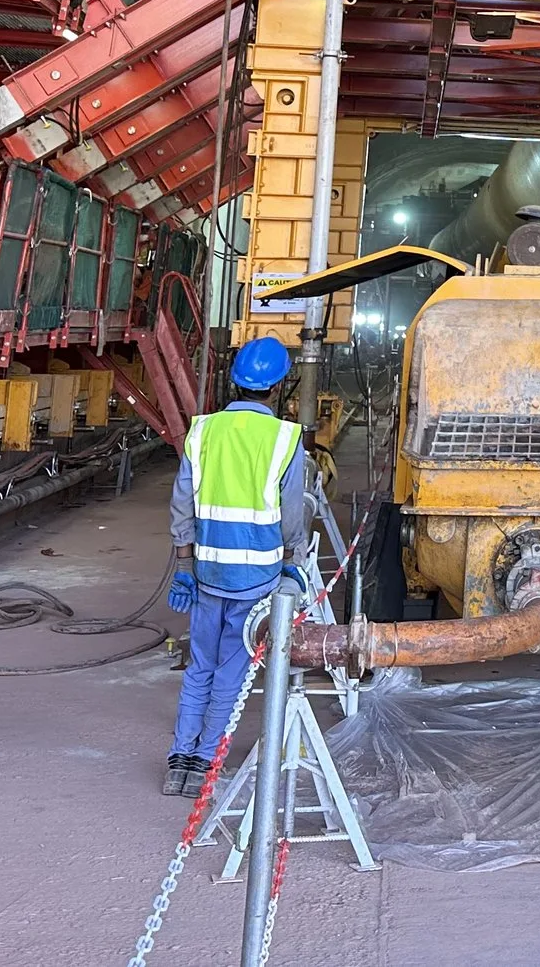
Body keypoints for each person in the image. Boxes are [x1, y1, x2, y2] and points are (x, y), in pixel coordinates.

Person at [165, 336, 317, 797]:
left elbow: (181, 501)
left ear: (234, 381)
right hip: (256, 578)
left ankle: (179, 765)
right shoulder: (285, 439)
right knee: (232, 670)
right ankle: (208, 765)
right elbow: (292, 511)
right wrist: (292, 559)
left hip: (208, 572)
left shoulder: (203, 431)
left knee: (199, 666)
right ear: (278, 386)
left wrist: (184, 563)